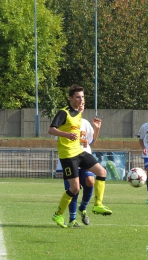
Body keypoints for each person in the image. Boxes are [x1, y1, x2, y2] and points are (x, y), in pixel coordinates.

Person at [48, 84, 112, 228]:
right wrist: (66, 134)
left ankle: (97, 205)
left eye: (82, 97)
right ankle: (58, 214)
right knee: (75, 188)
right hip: (68, 156)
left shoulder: (79, 114)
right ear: (70, 98)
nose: (81, 99)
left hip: (79, 152)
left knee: (101, 172)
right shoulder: (63, 113)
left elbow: (90, 140)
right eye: (78, 97)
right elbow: (51, 130)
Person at [56, 102, 101, 228]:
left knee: (91, 181)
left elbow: (91, 142)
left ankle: (83, 207)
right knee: (73, 189)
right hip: (70, 158)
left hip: (84, 158)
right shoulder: (67, 121)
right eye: (79, 102)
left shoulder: (85, 123)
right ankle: (72, 219)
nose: (81, 105)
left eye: (83, 103)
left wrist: (97, 128)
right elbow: (60, 138)